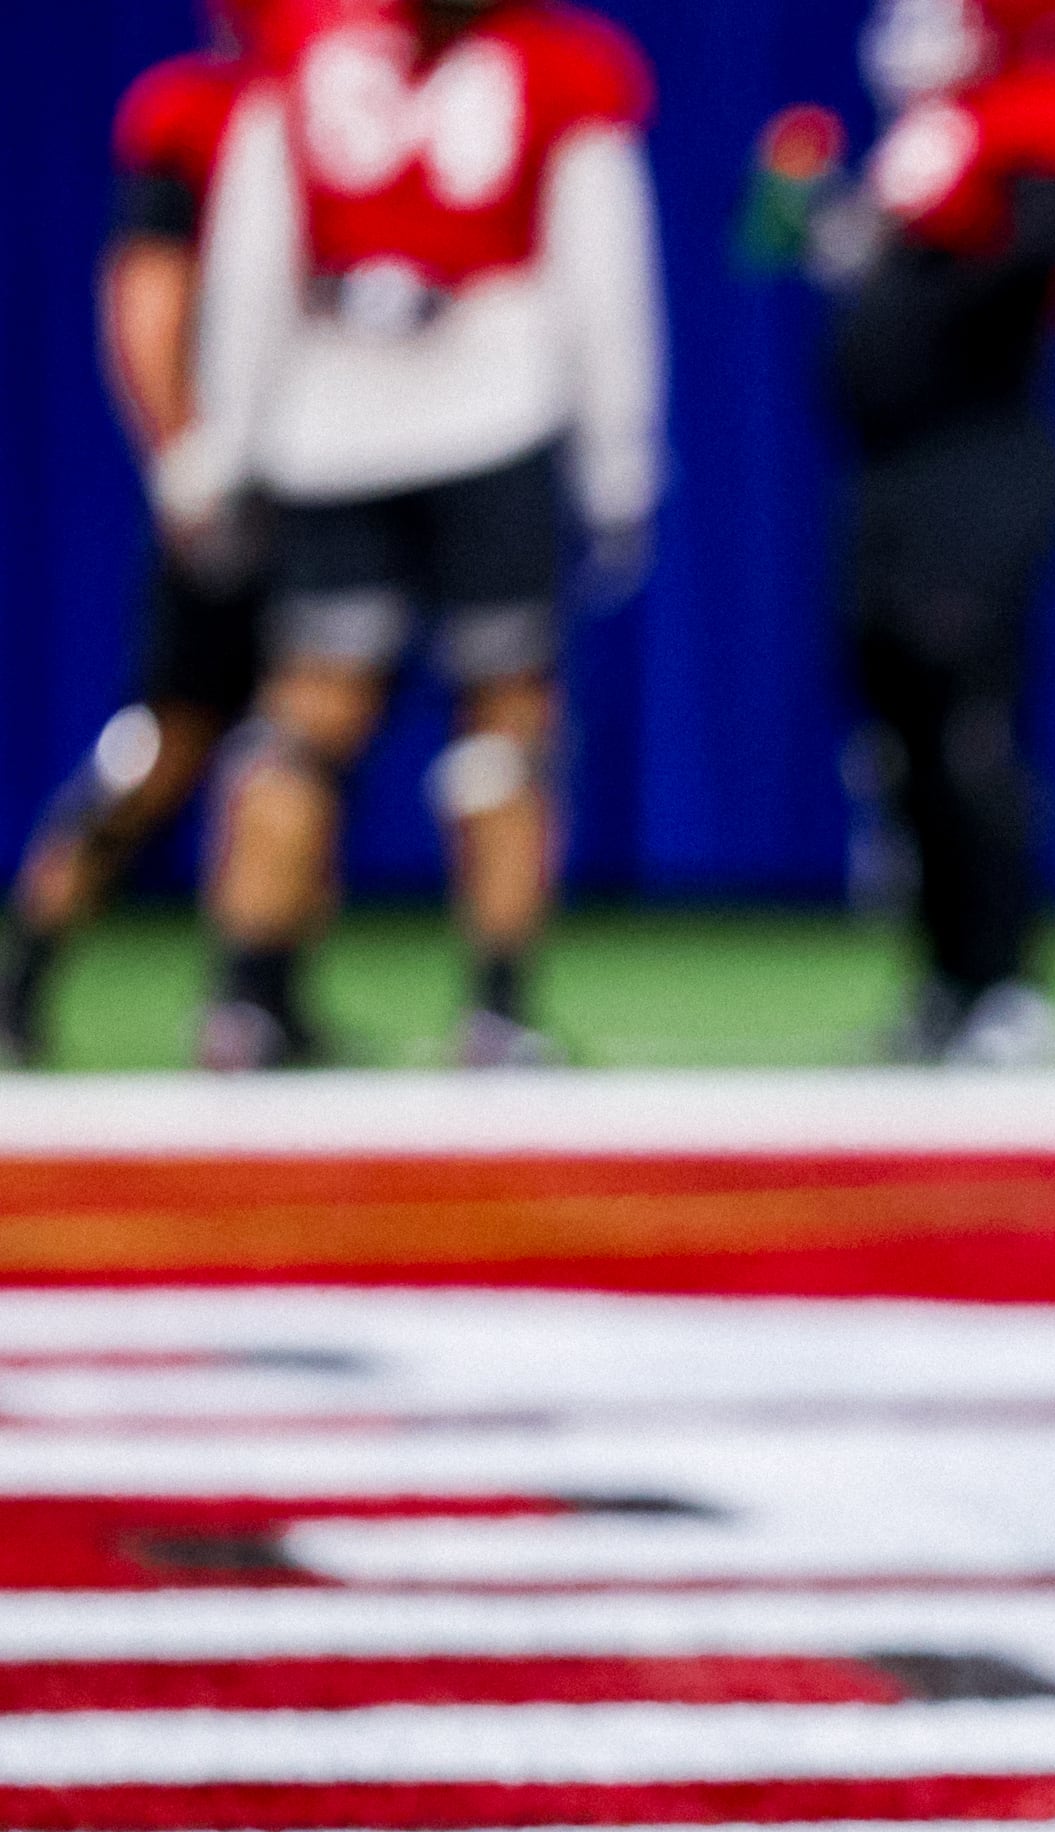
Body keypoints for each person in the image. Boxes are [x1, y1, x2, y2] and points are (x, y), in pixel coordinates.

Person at [161, 0, 662, 1069]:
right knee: (504, 716)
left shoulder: (302, 54)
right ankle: (495, 1007)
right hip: (493, 412)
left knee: (310, 712)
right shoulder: (559, 65)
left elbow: (255, 262)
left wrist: (228, 442)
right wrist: (619, 460)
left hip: (333, 423)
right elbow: (603, 273)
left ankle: (249, 997)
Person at [800, 0, 1055, 1065]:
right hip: (893, 468)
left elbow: (1029, 261)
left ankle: (1007, 982)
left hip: (981, 455)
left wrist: (910, 304)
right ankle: (944, 980)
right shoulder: (932, 126)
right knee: (898, 729)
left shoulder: (1054, 103)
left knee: (966, 718)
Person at [2, 0, 277, 1069]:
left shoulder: (368, 109)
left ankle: (262, 991)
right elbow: (149, 297)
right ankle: (29, 964)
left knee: (300, 736)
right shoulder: (195, 112)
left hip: (335, 470)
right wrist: (183, 457)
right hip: (227, 480)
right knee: (171, 732)